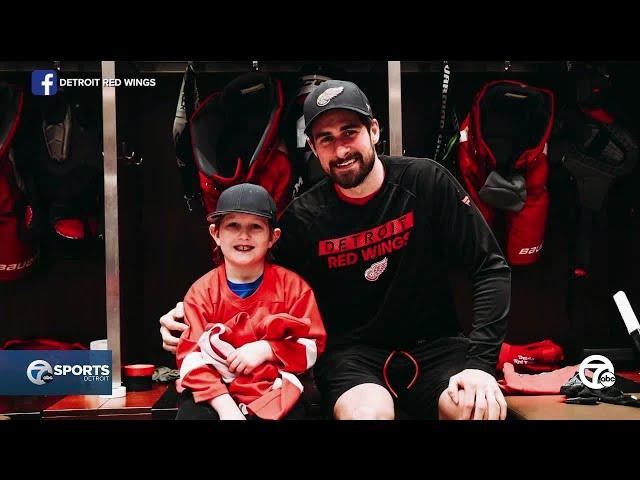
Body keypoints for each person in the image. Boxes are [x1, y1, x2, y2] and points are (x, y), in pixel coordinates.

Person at [162, 80, 511, 420]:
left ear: (373, 130)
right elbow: (251, 276)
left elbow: (489, 267)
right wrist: (191, 316)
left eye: (349, 132)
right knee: (368, 415)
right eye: (326, 139)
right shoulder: (304, 217)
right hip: (352, 357)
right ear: (313, 149)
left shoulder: (425, 181)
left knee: (478, 409)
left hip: (438, 347)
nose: (341, 149)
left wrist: (480, 365)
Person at [174, 183, 326, 420]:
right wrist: (227, 409)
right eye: (233, 225)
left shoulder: (294, 288)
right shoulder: (201, 292)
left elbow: (312, 347)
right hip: (215, 394)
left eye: (255, 227)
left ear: (272, 237)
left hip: (274, 391)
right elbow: (190, 360)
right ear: (215, 233)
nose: (243, 236)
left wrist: (267, 349)